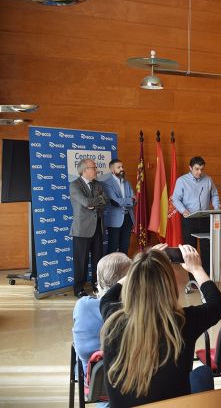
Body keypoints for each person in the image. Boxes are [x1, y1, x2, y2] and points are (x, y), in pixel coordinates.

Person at [99, 244, 221, 406]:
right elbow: (217, 305)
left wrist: (141, 265)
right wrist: (196, 268)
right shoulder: (183, 322)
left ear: (132, 283)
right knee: (203, 374)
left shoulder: (113, 318)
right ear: (169, 286)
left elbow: (108, 297)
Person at [72, 252, 131, 374]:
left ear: (99, 278)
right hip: (128, 382)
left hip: (92, 385)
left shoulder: (83, 305)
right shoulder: (136, 310)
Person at [172, 156, 220, 276]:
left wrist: (217, 207)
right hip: (189, 218)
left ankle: (207, 276)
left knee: (207, 249)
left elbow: (214, 194)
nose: (200, 172)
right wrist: (183, 210)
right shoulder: (181, 181)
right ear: (190, 168)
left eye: (202, 169)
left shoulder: (208, 180)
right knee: (190, 249)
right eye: (197, 169)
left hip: (205, 218)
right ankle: (193, 279)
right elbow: (176, 199)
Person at [70, 158, 108, 297]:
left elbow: (106, 201)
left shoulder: (98, 184)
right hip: (82, 230)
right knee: (81, 261)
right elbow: (85, 202)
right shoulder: (75, 185)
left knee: (98, 260)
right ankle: (79, 288)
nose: (96, 170)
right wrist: (96, 201)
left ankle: (96, 285)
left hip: (98, 227)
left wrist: (95, 203)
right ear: (84, 170)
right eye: (93, 167)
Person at [102, 159, 135, 255]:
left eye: (122, 167)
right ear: (112, 170)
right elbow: (115, 202)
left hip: (128, 217)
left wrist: (129, 201)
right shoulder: (106, 183)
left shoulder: (127, 182)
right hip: (114, 220)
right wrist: (130, 200)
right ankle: (111, 269)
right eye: (119, 167)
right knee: (113, 246)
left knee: (125, 245)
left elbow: (135, 200)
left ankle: (123, 268)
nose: (122, 169)